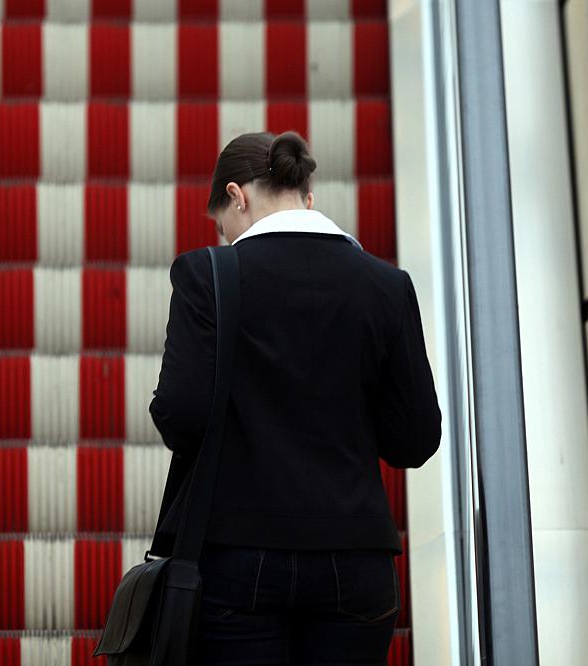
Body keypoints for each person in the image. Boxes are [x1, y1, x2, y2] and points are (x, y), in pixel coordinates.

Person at [148, 130, 443, 665]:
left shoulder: (208, 275)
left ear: (236, 197)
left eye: (223, 225)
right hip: (357, 561)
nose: (224, 238)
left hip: (238, 557)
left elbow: (182, 415)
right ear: (307, 197)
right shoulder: (386, 285)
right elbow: (415, 440)